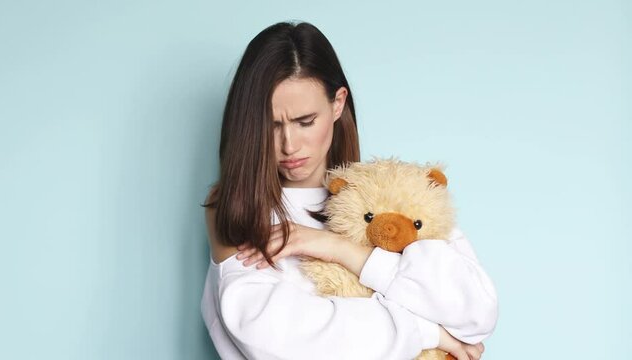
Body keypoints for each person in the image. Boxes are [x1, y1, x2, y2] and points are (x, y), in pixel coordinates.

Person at [200, 21, 498, 360]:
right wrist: (427, 332)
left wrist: (337, 247)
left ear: (338, 104)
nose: (289, 145)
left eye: (305, 121)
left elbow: (475, 312)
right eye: (272, 125)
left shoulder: (386, 194)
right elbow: (275, 340)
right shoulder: (236, 208)